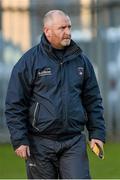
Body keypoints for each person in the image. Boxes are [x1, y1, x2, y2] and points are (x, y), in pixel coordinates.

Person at [5, 10, 105, 179]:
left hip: (73, 141)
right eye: (62, 28)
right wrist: (19, 139)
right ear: (47, 31)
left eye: (69, 27)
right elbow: (15, 104)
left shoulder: (81, 61)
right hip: (39, 144)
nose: (68, 32)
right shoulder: (28, 62)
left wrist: (96, 133)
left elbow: (93, 100)